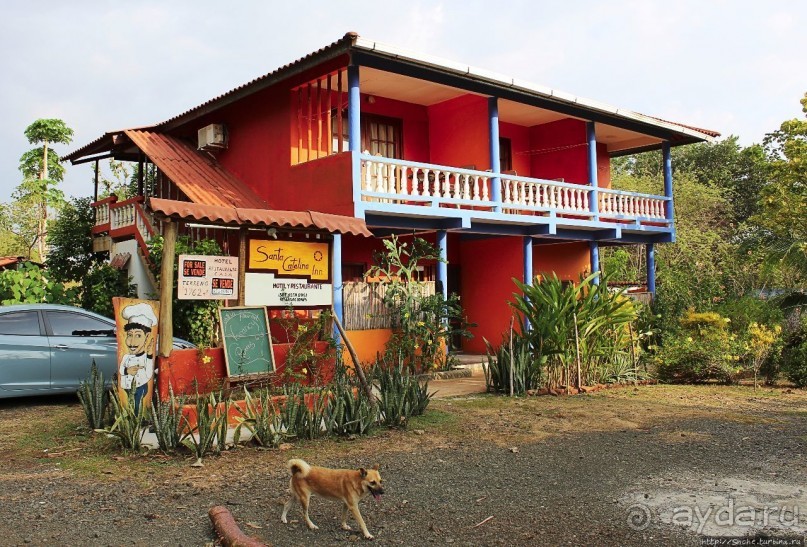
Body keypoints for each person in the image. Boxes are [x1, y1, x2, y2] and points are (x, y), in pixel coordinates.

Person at [118, 302, 157, 415]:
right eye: (130, 335)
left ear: (147, 337)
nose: (132, 341)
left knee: (137, 404)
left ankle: (138, 417)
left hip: (141, 387)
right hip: (127, 386)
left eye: (138, 335)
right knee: (130, 404)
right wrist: (127, 371)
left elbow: (149, 374)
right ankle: (131, 417)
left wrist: (149, 356)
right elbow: (121, 369)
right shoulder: (126, 357)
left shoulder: (146, 358)